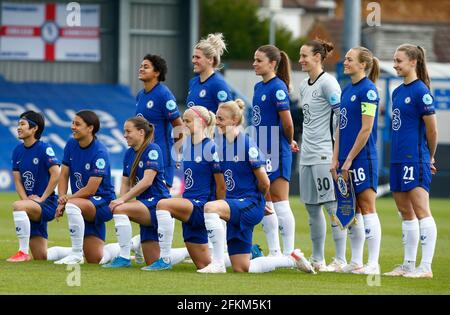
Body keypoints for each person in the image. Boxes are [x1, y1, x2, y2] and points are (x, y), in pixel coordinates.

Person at [197, 99, 313, 274]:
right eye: (217, 118)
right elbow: (222, 184)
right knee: (242, 268)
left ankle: (218, 263)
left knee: (210, 208)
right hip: (235, 205)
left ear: (234, 121)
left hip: (249, 204)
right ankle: (290, 259)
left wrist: (259, 202)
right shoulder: (220, 147)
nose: (217, 122)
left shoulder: (246, 144)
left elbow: (265, 182)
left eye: (221, 119)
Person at [144, 105, 226, 271]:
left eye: (188, 121)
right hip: (190, 205)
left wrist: (218, 210)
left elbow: (221, 184)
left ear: (201, 122)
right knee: (204, 264)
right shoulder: (187, 147)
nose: (183, 124)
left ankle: (165, 259)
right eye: (183, 120)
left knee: (163, 204)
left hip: (201, 206)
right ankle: (248, 255)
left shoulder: (211, 147)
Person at [102, 117, 188, 269]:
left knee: (119, 209)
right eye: (124, 131)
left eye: (128, 131)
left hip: (157, 205)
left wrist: (122, 202)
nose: (124, 135)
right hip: (144, 205)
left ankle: (124, 257)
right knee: (152, 262)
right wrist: (123, 198)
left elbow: (147, 181)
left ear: (141, 132)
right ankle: (185, 252)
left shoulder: (153, 150)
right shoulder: (129, 153)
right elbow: (125, 182)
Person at [383, 44, 438, 278]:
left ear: (413, 62)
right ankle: (407, 264)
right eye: (394, 60)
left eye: (399, 61)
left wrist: (430, 156)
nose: (395, 65)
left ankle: (425, 267)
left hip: (414, 159)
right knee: (405, 212)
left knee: (421, 210)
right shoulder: (397, 92)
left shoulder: (420, 91)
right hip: (397, 158)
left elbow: (432, 131)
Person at [298, 39, 348, 272]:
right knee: (311, 209)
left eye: (305, 56)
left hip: (323, 154)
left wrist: (336, 151)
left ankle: (340, 259)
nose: (301, 60)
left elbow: (341, 117)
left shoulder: (328, 83)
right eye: (300, 56)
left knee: (332, 206)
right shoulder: (303, 85)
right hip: (306, 154)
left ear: (317, 57)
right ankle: (318, 259)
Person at [331, 47, 382, 275]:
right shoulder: (346, 90)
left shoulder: (369, 90)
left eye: (350, 59)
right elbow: (341, 128)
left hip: (362, 158)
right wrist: (336, 157)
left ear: (363, 64)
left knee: (368, 207)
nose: (345, 62)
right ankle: (356, 261)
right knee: (352, 209)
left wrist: (350, 158)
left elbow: (367, 128)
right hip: (344, 160)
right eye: (345, 58)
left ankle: (373, 263)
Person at [252, 44, 298, 257]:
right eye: (254, 60)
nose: (254, 64)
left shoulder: (277, 87)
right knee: (266, 201)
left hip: (276, 149)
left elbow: (288, 123)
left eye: (259, 60)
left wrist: (289, 141)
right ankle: (275, 251)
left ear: (272, 63)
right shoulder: (258, 87)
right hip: (261, 147)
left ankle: (289, 253)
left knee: (280, 201)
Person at [54, 110, 115, 264]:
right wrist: (62, 197)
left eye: (77, 124)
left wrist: (67, 200)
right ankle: (130, 246)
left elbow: (91, 190)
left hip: (102, 203)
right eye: (73, 123)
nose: (73, 127)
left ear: (90, 128)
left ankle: (75, 254)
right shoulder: (71, 144)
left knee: (73, 204)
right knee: (95, 259)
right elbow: (64, 175)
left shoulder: (100, 152)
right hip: (82, 204)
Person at [6, 111, 60, 262]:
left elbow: (56, 174)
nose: (18, 127)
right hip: (31, 205)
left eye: (22, 124)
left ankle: (22, 253)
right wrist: (27, 201)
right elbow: (17, 181)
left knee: (17, 206)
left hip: (47, 204)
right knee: (41, 256)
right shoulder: (17, 150)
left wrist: (41, 199)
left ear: (34, 128)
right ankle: (78, 251)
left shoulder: (44, 148)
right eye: (18, 124)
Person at [135, 54, 183, 188]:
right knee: (144, 201)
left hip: (163, 156)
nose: (141, 69)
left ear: (157, 72)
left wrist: (178, 153)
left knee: (161, 201)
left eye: (146, 67)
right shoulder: (140, 95)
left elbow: (178, 125)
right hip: (144, 155)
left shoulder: (164, 95)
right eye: (141, 66)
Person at [187, 33, 232, 113]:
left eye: (197, 57)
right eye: (193, 57)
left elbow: (227, 117)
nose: (193, 61)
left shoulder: (218, 84)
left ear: (210, 59)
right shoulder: (193, 82)